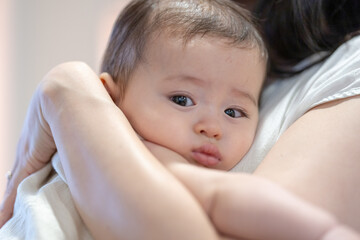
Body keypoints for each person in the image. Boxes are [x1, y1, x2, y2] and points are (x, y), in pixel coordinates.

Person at [1, 0, 360, 239]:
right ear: (110, 96)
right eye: (182, 99)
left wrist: (66, 94)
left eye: (233, 112)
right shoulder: (142, 147)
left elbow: (232, 198)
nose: (212, 126)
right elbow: (226, 198)